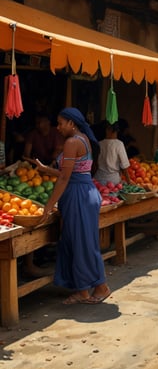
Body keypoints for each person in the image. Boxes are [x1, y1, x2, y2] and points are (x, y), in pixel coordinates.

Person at [35, 108, 111, 305]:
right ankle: (82, 291)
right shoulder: (83, 138)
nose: (57, 127)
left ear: (72, 123)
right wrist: (46, 170)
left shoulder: (71, 142)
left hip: (78, 196)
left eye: (60, 123)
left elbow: (64, 178)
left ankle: (101, 287)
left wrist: (48, 206)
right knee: (76, 242)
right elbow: (73, 171)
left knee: (83, 244)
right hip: (83, 192)